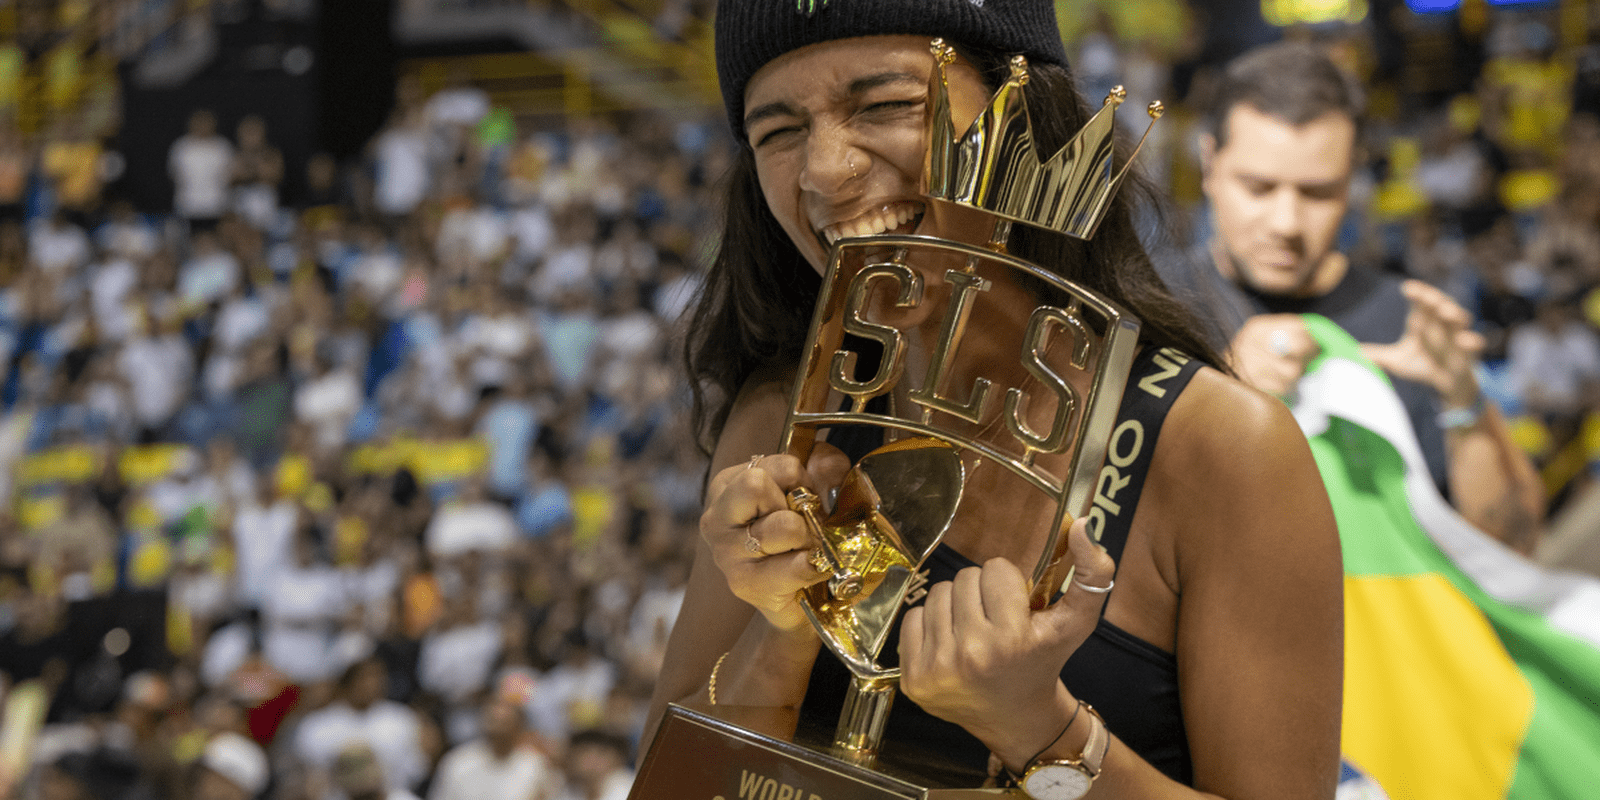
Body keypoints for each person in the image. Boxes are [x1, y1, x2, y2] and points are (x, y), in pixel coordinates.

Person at [646, 2, 1343, 798]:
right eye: (777, 131)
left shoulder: (1218, 447)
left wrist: (1039, 729)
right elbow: (671, 783)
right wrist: (779, 633)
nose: (823, 170)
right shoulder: (782, 422)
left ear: (1022, 122)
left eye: (885, 105)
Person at [1178, 41, 1544, 553]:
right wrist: (1219, 394)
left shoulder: (1407, 322)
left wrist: (1461, 400)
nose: (1286, 223)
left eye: (1318, 193)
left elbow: (1512, 549)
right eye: (1258, 187)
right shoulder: (1147, 305)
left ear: (1353, 181)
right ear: (1209, 164)